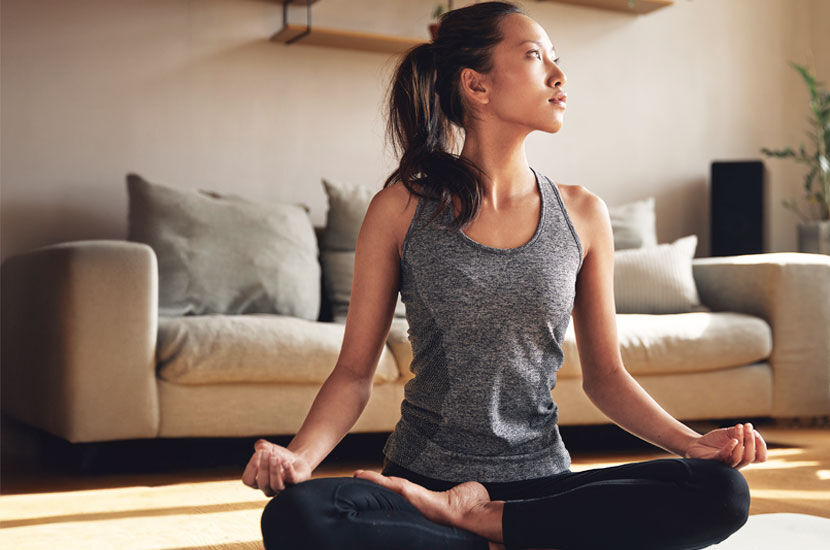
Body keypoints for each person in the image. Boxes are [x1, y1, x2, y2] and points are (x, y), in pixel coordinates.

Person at [241, 2, 767, 549]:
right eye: (536, 57)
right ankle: (492, 532)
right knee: (297, 516)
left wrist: (692, 444)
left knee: (720, 491)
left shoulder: (583, 214)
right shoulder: (401, 208)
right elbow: (353, 374)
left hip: (540, 487)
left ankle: (485, 526)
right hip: (421, 484)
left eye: (556, 59)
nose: (559, 75)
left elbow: (606, 378)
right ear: (477, 85)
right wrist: (297, 457)